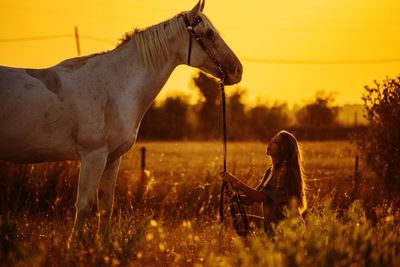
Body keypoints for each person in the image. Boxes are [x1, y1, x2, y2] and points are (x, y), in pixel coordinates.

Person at [220, 130, 307, 233]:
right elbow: (251, 199)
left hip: (289, 228)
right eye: (272, 140)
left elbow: (259, 196)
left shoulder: (284, 172)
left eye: (275, 142)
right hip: (275, 225)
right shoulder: (270, 171)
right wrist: (235, 197)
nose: (270, 143)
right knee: (240, 221)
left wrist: (233, 180)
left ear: (284, 149)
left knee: (242, 222)